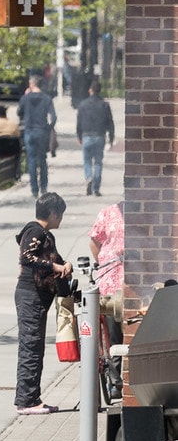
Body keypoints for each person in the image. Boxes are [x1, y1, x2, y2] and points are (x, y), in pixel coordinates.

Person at [14, 192, 72, 415]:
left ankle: (32, 397)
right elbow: (27, 257)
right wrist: (56, 267)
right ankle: (26, 401)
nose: (61, 219)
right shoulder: (35, 231)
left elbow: (51, 258)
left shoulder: (44, 234)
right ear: (53, 213)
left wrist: (64, 264)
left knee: (35, 347)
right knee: (31, 347)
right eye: (61, 215)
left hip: (37, 297)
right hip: (30, 296)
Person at [89, 201, 124, 387]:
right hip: (118, 281)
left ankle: (115, 378)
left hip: (110, 278)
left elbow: (94, 242)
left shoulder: (107, 212)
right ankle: (117, 377)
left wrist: (104, 261)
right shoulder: (143, 213)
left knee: (113, 334)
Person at [17, 74, 56, 199]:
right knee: (42, 160)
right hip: (41, 131)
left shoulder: (26, 98)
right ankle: (43, 186)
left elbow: (19, 112)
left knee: (32, 160)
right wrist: (48, 128)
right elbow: (53, 117)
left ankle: (34, 189)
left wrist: (25, 96)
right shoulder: (46, 98)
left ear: (32, 84)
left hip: (29, 131)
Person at [76, 79, 115, 196]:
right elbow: (110, 122)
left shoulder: (82, 104)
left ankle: (88, 177)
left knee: (87, 160)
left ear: (90, 90)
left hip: (86, 135)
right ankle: (96, 188)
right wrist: (111, 138)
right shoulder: (104, 105)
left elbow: (79, 122)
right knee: (98, 162)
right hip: (99, 136)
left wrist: (79, 136)